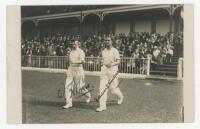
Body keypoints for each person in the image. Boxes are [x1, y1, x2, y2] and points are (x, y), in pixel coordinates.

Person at [96, 37, 124, 112]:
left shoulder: (115, 51)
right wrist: (100, 62)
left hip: (113, 71)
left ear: (111, 42)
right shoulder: (103, 51)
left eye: (108, 40)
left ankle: (121, 97)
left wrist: (111, 64)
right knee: (102, 88)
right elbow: (102, 60)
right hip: (104, 71)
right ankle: (102, 106)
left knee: (113, 90)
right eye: (106, 40)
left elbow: (118, 61)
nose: (107, 41)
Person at [63, 40, 91, 109]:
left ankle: (88, 95)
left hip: (78, 71)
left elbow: (82, 61)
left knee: (79, 89)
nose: (73, 45)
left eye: (75, 44)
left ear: (78, 44)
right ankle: (69, 103)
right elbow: (69, 62)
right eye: (73, 44)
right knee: (67, 86)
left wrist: (74, 62)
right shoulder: (71, 52)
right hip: (71, 71)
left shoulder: (81, 52)